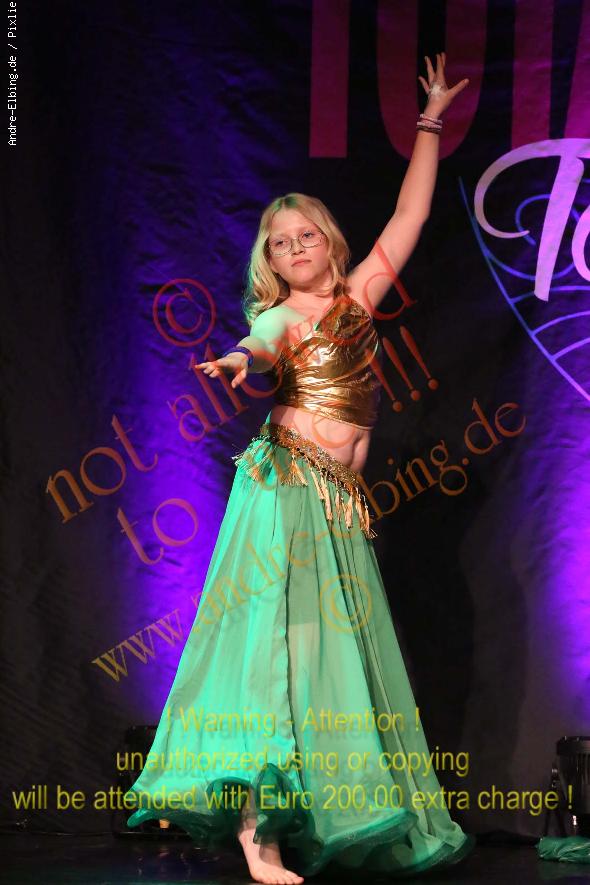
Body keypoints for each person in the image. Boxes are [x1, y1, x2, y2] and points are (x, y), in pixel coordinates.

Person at [124, 53, 474, 883]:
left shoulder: (358, 299)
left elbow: (412, 212)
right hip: (285, 490)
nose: (294, 248)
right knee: (275, 654)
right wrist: (239, 360)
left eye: (305, 235)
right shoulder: (282, 316)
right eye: (279, 244)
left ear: (328, 241)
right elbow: (263, 342)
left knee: (325, 662)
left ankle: (314, 811)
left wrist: (429, 122)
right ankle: (258, 831)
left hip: (339, 502)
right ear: (272, 264)